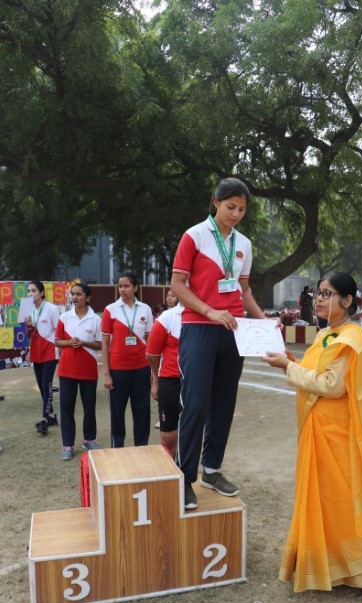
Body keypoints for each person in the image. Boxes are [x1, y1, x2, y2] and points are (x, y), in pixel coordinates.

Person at [263, 272, 362, 603]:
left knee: (350, 503)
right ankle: (337, 569)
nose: (320, 299)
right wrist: (291, 362)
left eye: (328, 294)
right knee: (326, 503)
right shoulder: (326, 334)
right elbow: (314, 373)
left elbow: (331, 385)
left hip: (343, 438)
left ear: (347, 301)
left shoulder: (352, 339)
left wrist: (288, 368)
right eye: (319, 293)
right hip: (319, 434)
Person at [171, 177, 266, 509]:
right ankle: (184, 477)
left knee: (224, 403)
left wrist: (263, 320)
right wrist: (209, 311)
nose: (236, 214)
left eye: (242, 209)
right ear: (216, 202)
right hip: (199, 327)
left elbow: (244, 290)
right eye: (230, 207)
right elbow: (177, 285)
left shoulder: (244, 244)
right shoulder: (194, 236)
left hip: (233, 331)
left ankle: (211, 470)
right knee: (196, 403)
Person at [101, 272, 153, 447]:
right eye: (120, 286)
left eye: (126, 286)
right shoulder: (110, 310)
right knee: (117, 412)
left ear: (135, 287)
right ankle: (117, 447)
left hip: (142, 368)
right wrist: (107, 374)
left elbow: (151, 342)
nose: (122, 289)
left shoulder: (145, 309)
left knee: (142, 410)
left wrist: (153, 371)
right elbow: (105, 344)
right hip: (118, 370)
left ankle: (141, 447)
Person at [54, 283, 102, 460]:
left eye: (78, 294)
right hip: (67, 370)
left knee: (89, 407)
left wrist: (83, 342)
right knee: (66, 408)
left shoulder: (96, 319)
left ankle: (89, 439)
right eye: (72, 294)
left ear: (87, 297)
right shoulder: (64, 318)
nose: (74, 297)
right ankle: (67, 445)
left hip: (88, 370)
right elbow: (57, 341)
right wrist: (70, 342)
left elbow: (100, 344)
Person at [146, 289, 182, 458]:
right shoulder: (167, 318)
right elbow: (151, 355)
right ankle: (168, 469)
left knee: (192, 432)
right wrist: (156, 381)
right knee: (168, 437)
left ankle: (186, 469)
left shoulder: (206, 317)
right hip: (170, 380)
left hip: (195, 382)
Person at [26, 281, 60, 434]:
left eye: (34, 290)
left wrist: (60, 350)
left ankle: (44, 419)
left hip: (50, 350)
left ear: (41, 293)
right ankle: (51, 416)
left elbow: (59, 331)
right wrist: (28, 325)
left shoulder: (51, 308)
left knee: (47, 385)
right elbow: (29, 334)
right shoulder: (28, 309)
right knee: (41, 385)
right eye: (28, 291)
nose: (30, 294)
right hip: (36, 350)